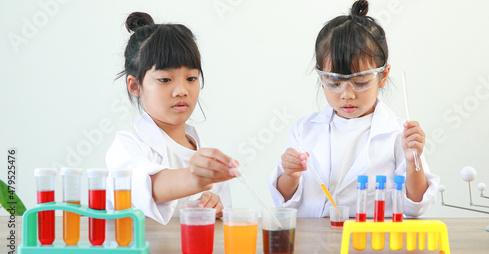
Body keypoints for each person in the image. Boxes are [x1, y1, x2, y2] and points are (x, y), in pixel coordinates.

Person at [268, 0, 439, 218]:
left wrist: (412, 160)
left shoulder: (399, 134)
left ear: (383, 75)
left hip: (372, 245)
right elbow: (284, 203)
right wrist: (290, 174)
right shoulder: (304, 130)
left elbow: (415, 206)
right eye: (335, 82)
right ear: (321, 76)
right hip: (314, 244)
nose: (346, 94)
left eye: (360, 82)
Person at [106, 12, 239, 224]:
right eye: (165, 79)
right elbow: (145, 186)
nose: (181, 90)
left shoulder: (206, 157)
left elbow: (221, 224)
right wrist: (195, 179)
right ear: (135, 85)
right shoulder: (126, 147)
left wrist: (215, 206)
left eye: (191, 78)